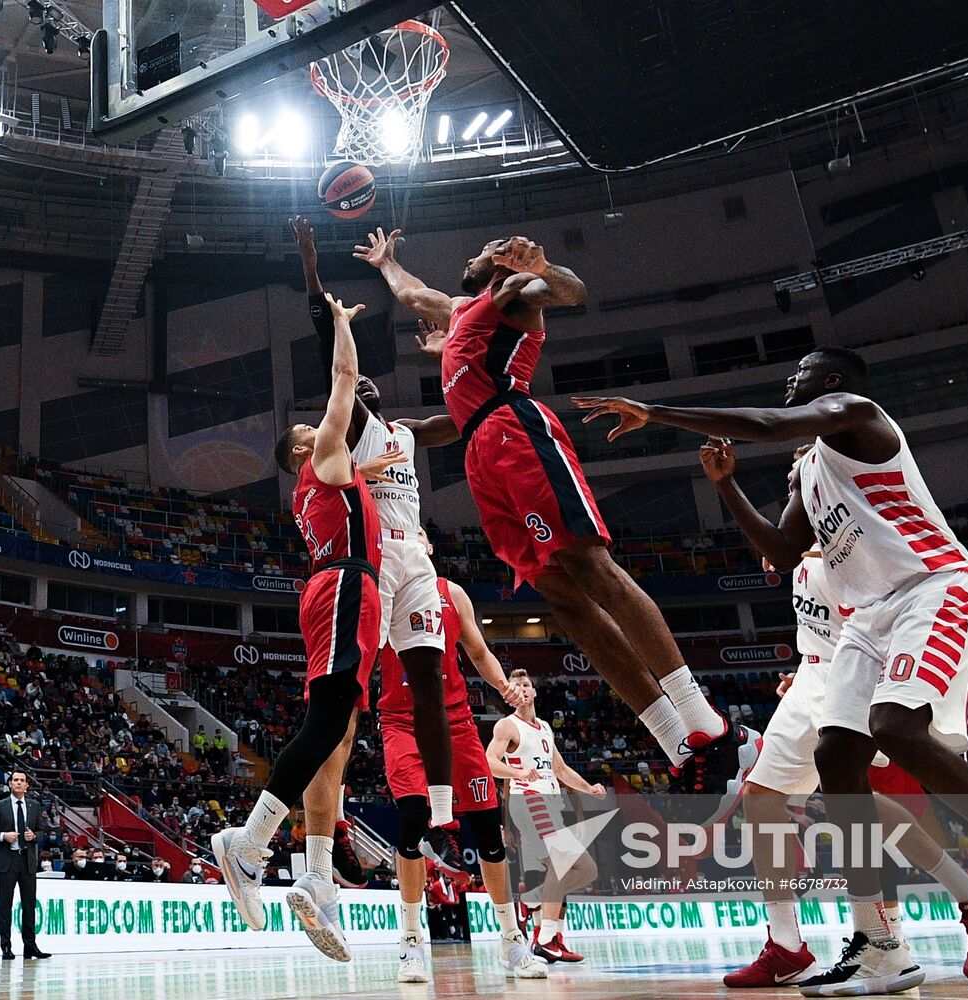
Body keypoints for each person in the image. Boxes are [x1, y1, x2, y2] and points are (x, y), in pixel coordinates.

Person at [575, 346, 968, 989]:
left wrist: (655, 411)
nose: (791, 380)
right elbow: (782, 551)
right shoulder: (810, 472)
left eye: (802, 372)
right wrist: (725, 487)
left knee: (894, 727)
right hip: (867, 617)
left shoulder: (858, 415)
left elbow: (766, 424)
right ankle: (878, 938)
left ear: (831, 384)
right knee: (837, 758)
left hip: (933, 587)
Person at [357, 226, 756, 808]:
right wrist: (387, 264)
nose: (472, 251)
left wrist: (544, 267)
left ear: (496, 264)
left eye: (482, 248)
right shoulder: (461, 308)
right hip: (479, 453)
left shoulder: (510, 292)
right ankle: (680, 746)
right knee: (564, 598)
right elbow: (415, 295)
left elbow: (570, 290)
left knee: (590, 567)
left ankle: (711, 726)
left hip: (515, 430)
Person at [718, 446, 968, 987]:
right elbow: (788, 553)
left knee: (866, 809)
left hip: (862, 673)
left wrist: (803, 557)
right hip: (813, 674)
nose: (800, 470)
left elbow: (872, 603)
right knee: (762, 799)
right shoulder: (807, 528)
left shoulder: (854, 537)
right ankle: (787, 945)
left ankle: (967, 904)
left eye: (805, 464)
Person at [213, 293, 383, 964]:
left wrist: (373, 473)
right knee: (326, 725)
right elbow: (345, 381)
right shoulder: (323, 459)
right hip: (345, 585)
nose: (327, 427)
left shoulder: (318, 483)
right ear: (305, 449)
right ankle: (249, 845)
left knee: (334, 728)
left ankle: (303, 870)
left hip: (335, 588)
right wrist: (340, 325)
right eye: (316, 431)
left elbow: (353, 472)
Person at [294, 215, 464, 858]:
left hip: (414, 555)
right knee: (349, 702)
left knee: (431, 679)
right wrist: (313, 270)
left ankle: (442, 810)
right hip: (370, 558)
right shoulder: (350, 430)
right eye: (354, 384)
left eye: (367, 384)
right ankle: (321, 830)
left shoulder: (408, 430)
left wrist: (449, 349)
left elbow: (469, 415)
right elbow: (325, 348)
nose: (361, 386)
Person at [377, 528, 547, 983]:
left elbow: (478, 650)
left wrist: (502, 687)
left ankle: (512, 939)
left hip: (456, 722)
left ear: (428, 547)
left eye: (417, 535)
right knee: (412, 821)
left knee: (489, 833)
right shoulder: (380, 589)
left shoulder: (452, 594)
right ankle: (411, 941)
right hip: (401, 722)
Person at [486, 670, 607, 965]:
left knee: (587, 870)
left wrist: (589, 788)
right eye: (516, 686)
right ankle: (545, 940)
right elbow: (488, 761)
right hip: (529, 799)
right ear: (509, 695)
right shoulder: (507, 725)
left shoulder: (544, 729)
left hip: (548, 803)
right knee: (562, 865)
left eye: (527, 685)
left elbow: (562, 771)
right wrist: (517, 772)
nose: (523, 690)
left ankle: (529, 902)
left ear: (535, 692)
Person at [0, 770, 50, 960]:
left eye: (22, 780)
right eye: (15, 780)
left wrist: (34, 836)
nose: (19, 783)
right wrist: (3, 836)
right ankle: (6, 946)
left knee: (29, 905)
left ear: (27, 785)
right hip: (7, 859)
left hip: (27, 859)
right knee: (5, 905)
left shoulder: (34, 806)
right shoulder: (0, 806)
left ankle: (30, 946)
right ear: (10, 784)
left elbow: (43, 831)